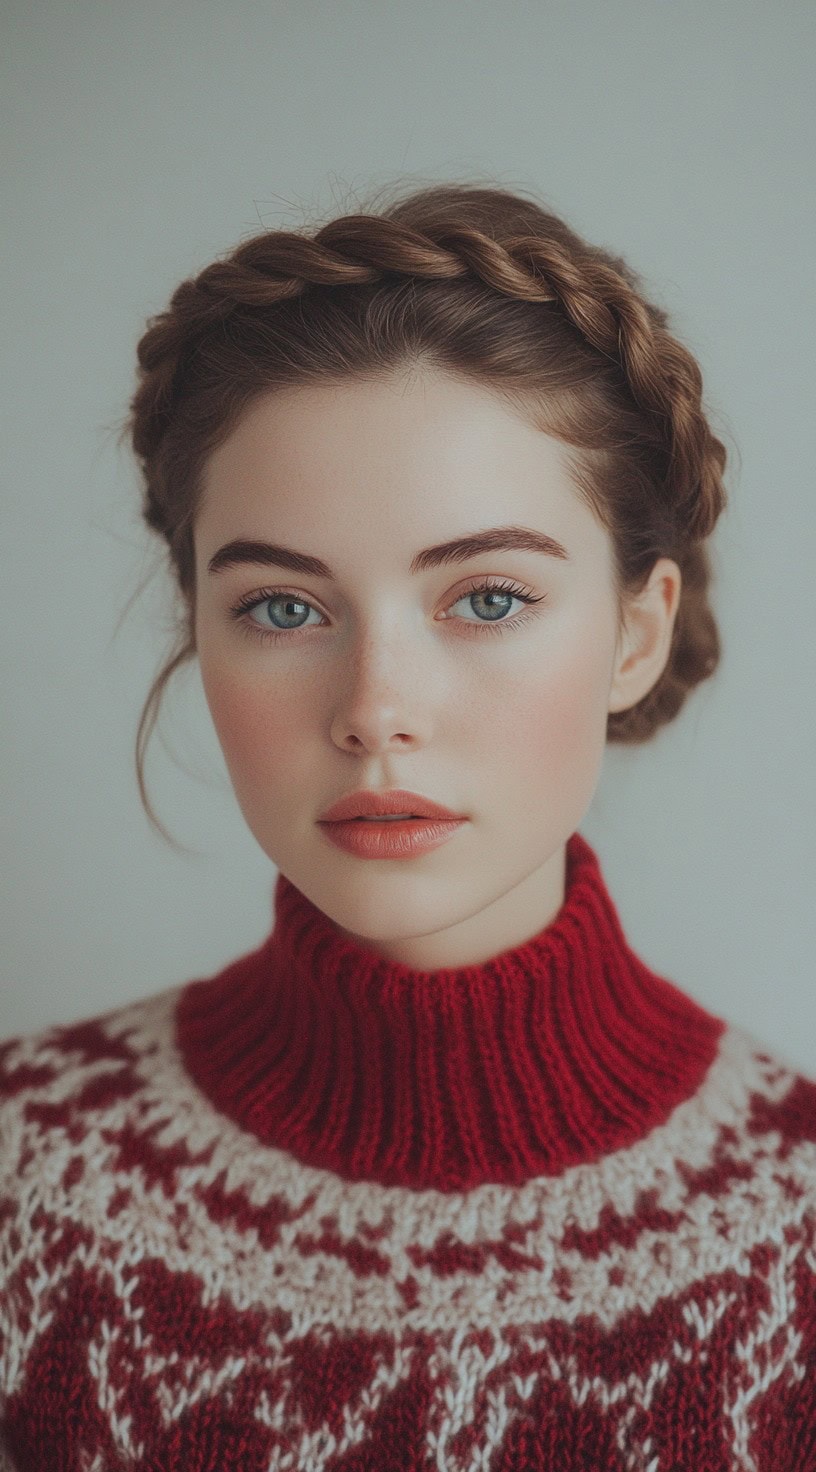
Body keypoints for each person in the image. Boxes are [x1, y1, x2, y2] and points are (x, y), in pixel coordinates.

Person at [1, 182, 814, 1471]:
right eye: (280, 608)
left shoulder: (796, 1234)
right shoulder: (24, 1171)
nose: (377, 711)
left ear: (635, 635)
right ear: (197, 628)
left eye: (487, 598)